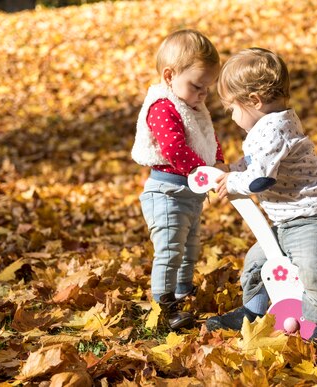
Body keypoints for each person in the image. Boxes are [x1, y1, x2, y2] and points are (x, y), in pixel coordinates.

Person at [205, 47, 317, 341]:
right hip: (286, 221)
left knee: (313, 271)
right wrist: (230, 169)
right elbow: (256, 163)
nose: (232, 118)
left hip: (312, 219)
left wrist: (232, 182)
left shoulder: (274, 128)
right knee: (257, 263)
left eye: (232, 109)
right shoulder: (270, 125)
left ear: (254, 100)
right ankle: (252, 311)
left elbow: (260, 180)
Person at [131, 29, 226, 330]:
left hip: (189, 193)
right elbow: (174, 148)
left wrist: (219, 161)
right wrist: (204, 172)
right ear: (170, 76)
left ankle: (184, 290)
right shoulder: (162, 107)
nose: (203, 95)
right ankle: (164, 305)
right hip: (166, 192)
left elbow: (207, 140)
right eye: (198, 86)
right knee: (170, 249)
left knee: (190, 247)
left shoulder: (193, 106)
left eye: (207, 89)